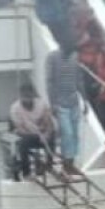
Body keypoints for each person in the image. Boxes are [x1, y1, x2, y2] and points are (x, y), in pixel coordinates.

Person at [46, 46, 84, 177]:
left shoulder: (75, 56)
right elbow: (49, 82)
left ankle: (70, 165)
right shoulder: (52, 57)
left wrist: (85, 101)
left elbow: (79, 80)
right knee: (66, 134)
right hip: (60, 104)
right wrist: (52, 104)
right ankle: (65, 166)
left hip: (74, 102)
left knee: (74, 135)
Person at [8, 83, 54, 181]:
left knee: (52, 137)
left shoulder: (41, 104)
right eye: (24, 96)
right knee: (23, 143)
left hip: (42, 133)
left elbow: (49, 122)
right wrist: (37, 136)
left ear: (33, 95)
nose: (27, 99)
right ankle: (26, 173)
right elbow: (20, 128)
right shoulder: (15, 108)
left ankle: (49, 167)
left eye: (29, 96)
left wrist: (46, 134)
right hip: (27, 135)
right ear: (20, 96)